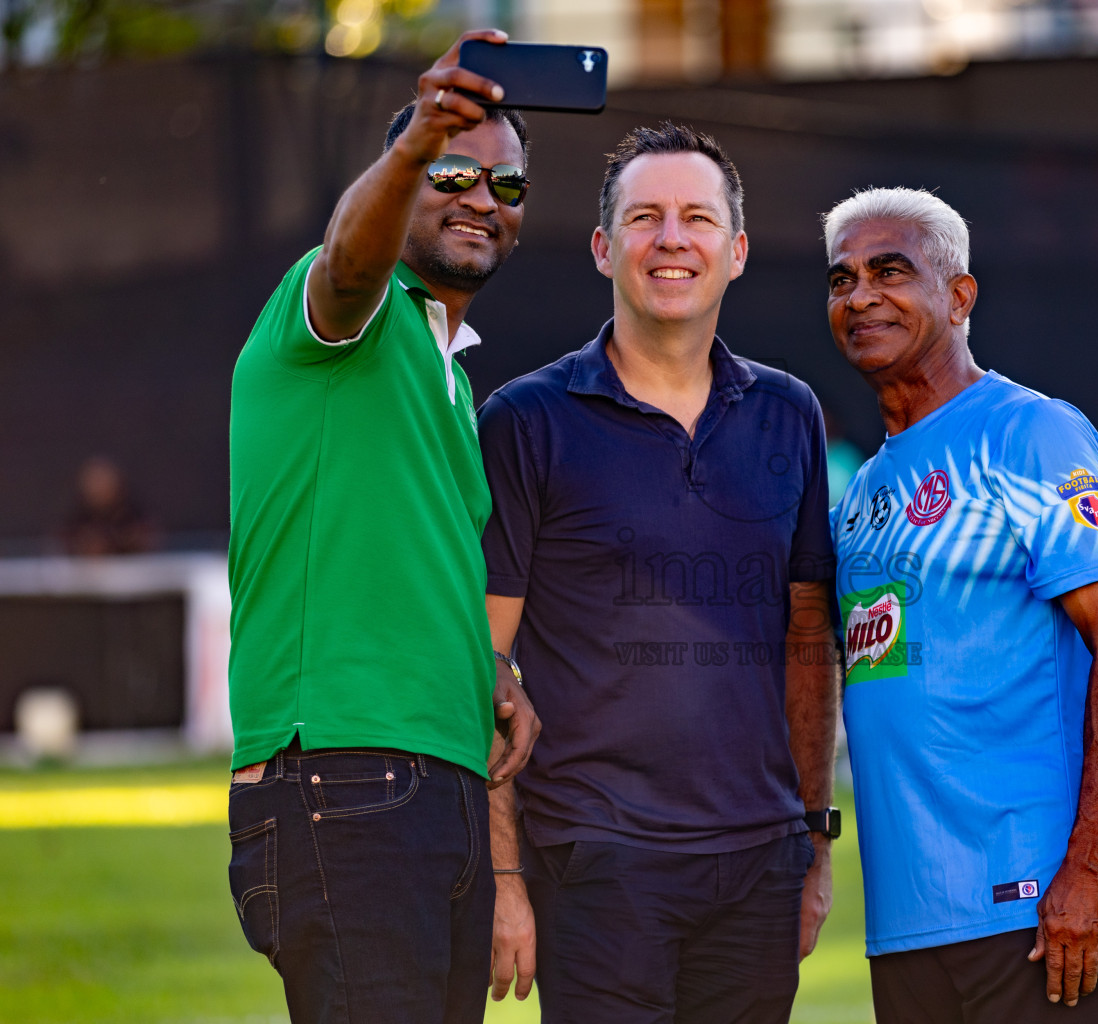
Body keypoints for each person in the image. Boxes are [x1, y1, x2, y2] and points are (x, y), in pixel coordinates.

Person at [477, 122, 840, 1022]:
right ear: (604, 248)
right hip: (595, 865)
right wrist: (504, 877)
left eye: (696, 218)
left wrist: (814, 844)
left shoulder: (789, 414)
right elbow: (481, 665)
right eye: (644, 217)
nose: (671, 239)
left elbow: (809, 644)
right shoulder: (527, 420)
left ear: (738, 249)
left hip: (759, 867)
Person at [226, 31, 540, 1024]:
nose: (482, 197)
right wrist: (414, 147)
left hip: (435, 785)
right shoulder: (341, 311)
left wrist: (492, 672)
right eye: (454, 169)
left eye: (508, 186)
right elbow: (349, 263)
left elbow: (412, 564)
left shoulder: (452, 376)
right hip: (342, 779)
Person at [822, 186, 1098, 1022]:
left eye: (890, 271)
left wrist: (1090, 870)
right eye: (841, 279)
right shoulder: (861, 490)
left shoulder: (1029, 434)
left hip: (1037, 911)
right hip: (906, 927)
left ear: (959, 296)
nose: (861, 295)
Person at [61, 455, 156, 555]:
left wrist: (127, 543)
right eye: (94, 481)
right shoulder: (75, 526)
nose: (98, 488)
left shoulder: (136, 520)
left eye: (102, 480)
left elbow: (151, 542)